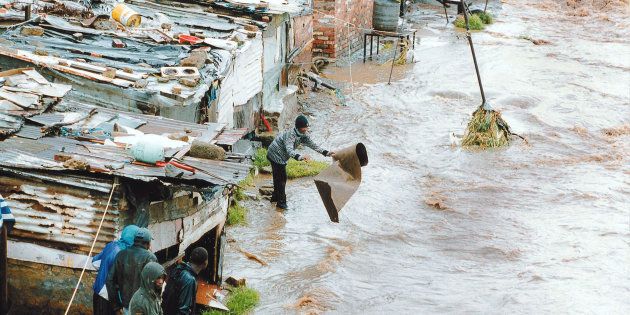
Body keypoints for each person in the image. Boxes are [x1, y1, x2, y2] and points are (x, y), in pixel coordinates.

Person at [266, 115, 335, 209]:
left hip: (280, 155)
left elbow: (313, 145)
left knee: (278, 177)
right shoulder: (291, 135)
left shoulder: (303, 134)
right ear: (298, 127)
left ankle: (275, 198)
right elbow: (289, 150)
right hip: (275, 154)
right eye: (304, 127)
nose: (306, 129)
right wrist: (301, 157)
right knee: (282, 179)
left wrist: (326, 152)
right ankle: (281, 203)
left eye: (307, 127)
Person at [107, 228, 157, 315]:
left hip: (126, 307)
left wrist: (116, 307)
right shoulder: (150, 258)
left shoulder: (121, 255)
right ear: (148, 243)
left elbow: (109, 281)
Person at [93, 225, 139, 315]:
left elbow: (94, 262)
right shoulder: (124, 254)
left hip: (97, 292)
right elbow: (119, 282)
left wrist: (104, 269)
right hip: (109, 297)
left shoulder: (111, 245)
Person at [161, 247, 209, 315]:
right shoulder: (190, 280)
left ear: (190, 258)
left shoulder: (178, 268)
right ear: (205, 263)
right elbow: (184, 310)